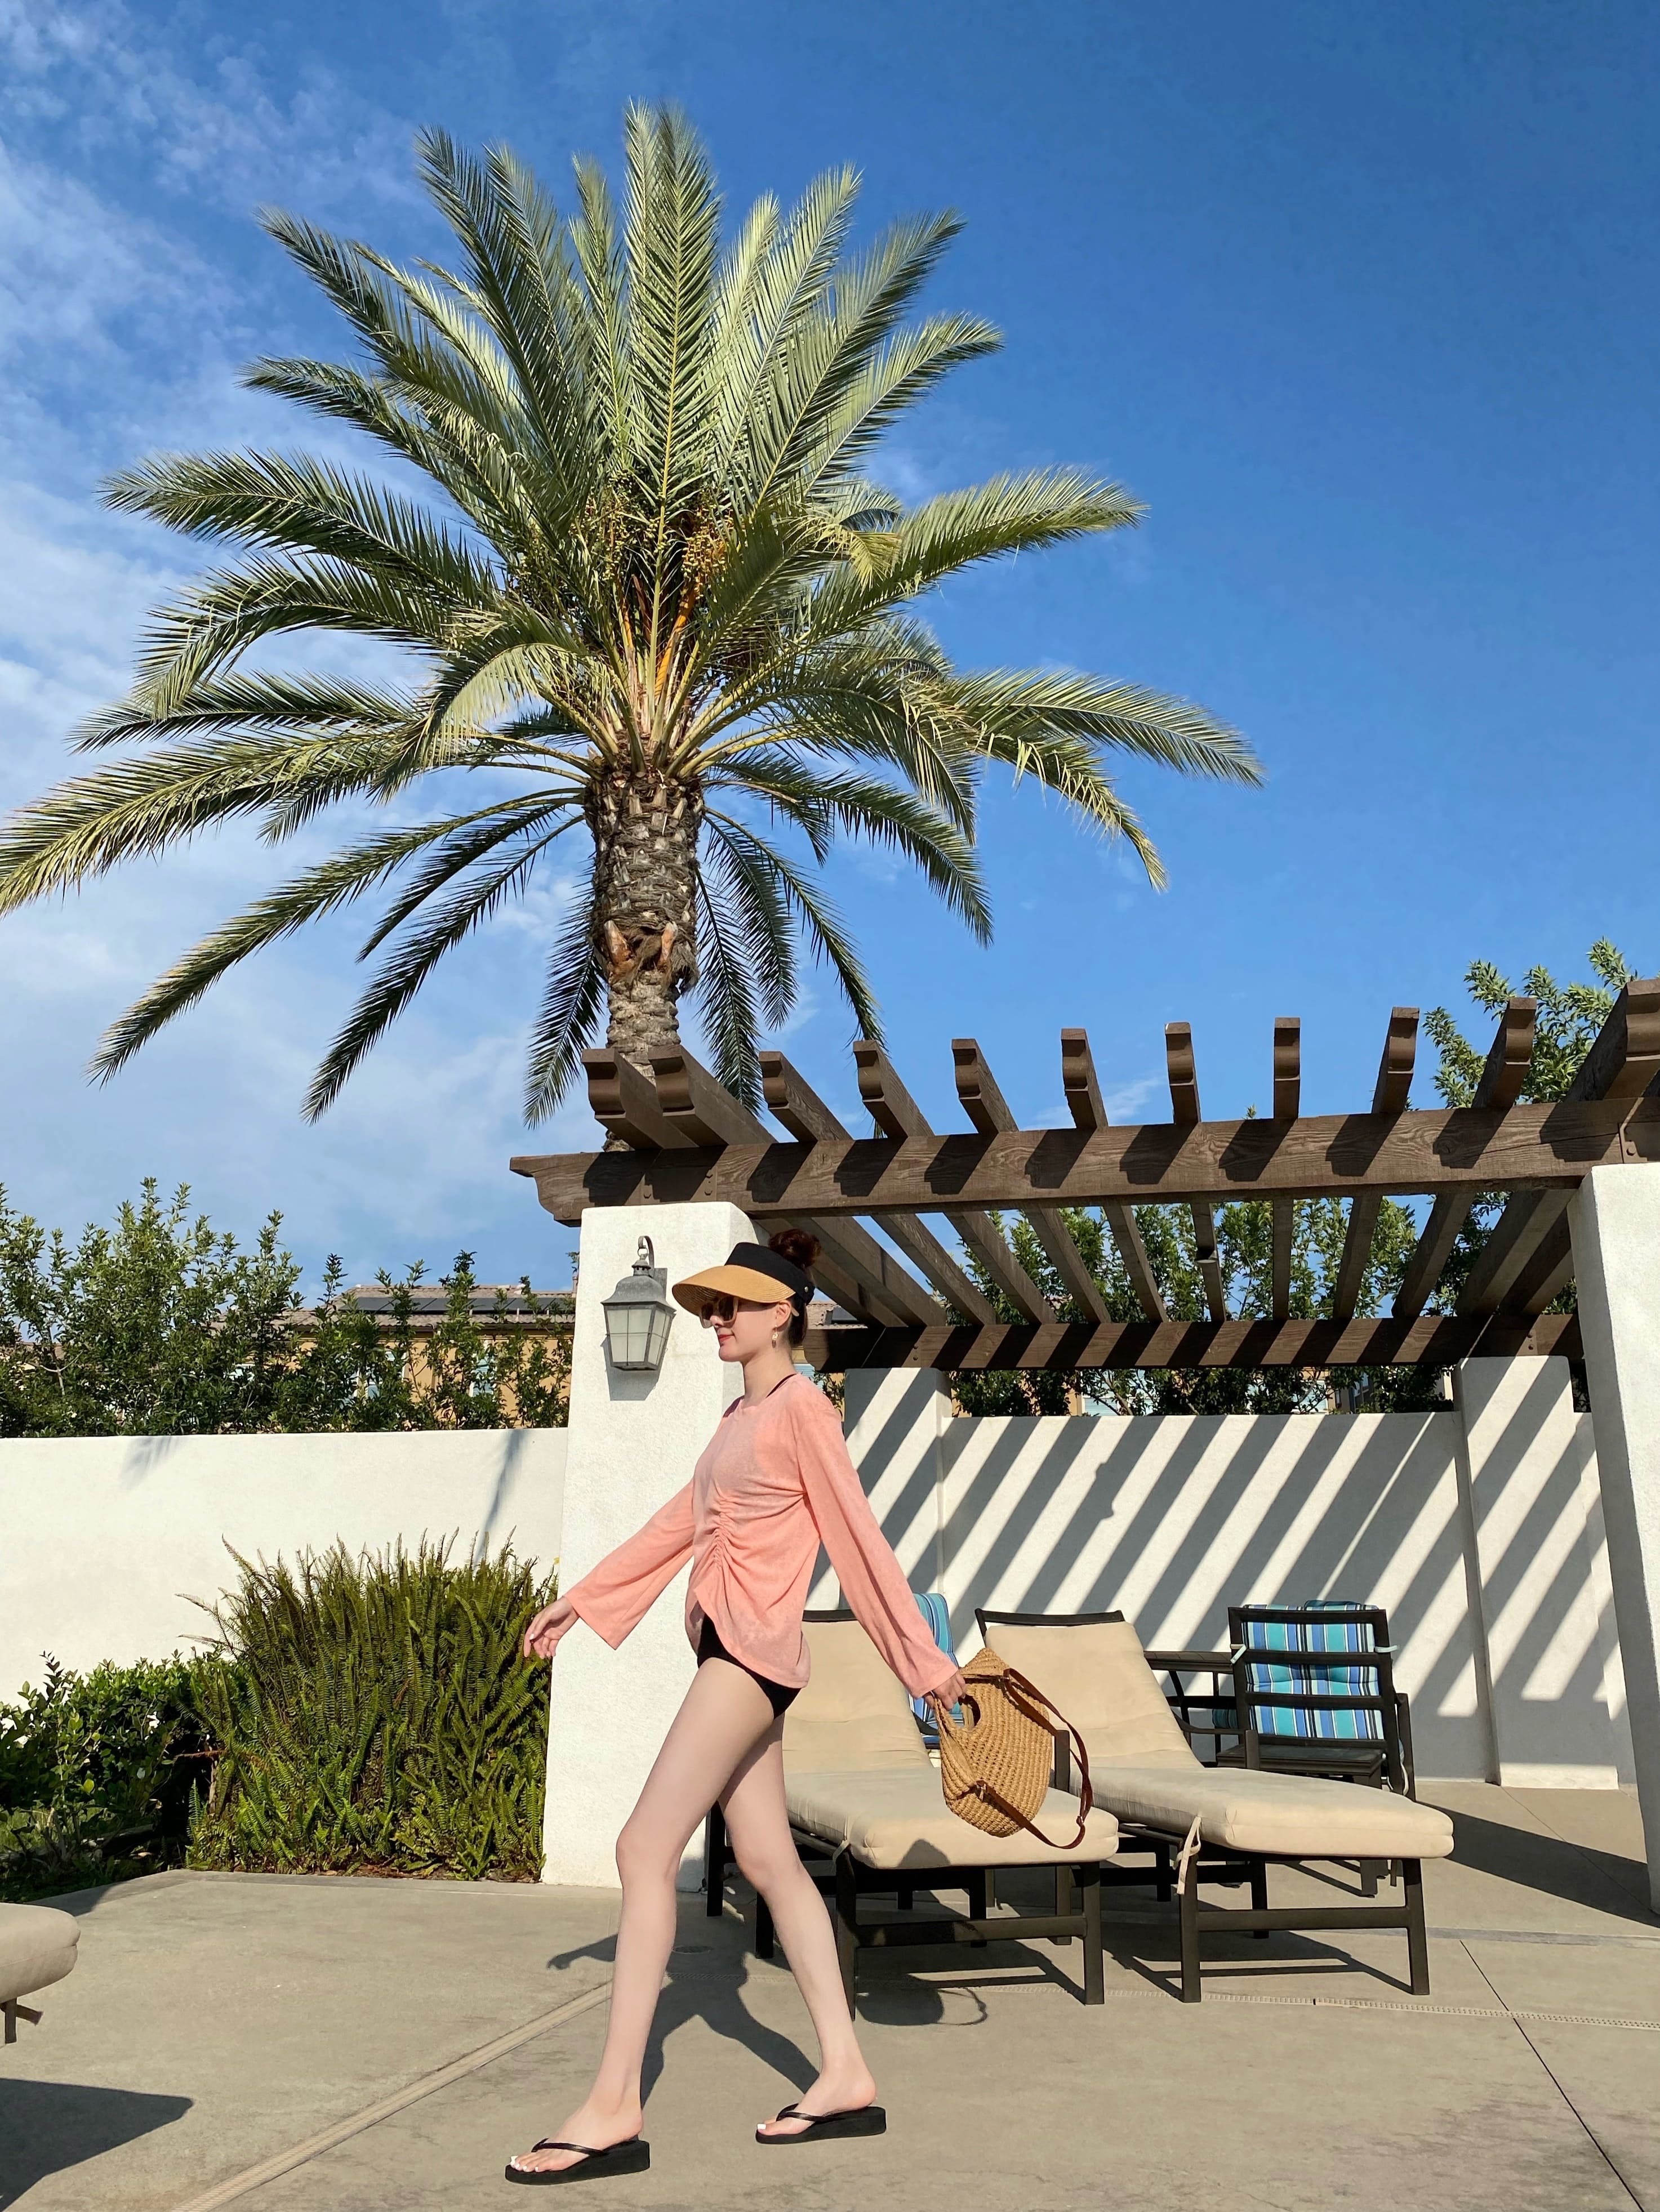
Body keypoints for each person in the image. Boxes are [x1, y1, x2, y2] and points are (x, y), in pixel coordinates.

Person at [506, 1229, 966, 2184]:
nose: (716, 1319)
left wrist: (924, 1666)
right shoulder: (736, 1420)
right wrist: (583, 1601)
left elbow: (858, 1540)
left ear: (782, 1312)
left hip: (752, 1659)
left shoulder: (805, 1411)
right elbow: (678, 1522)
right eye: (712, 1306)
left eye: (733, 1306)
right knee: (768, 1861)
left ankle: (613, 2105)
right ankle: (844, 2072)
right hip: (732, 1649)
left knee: (642, 1848)